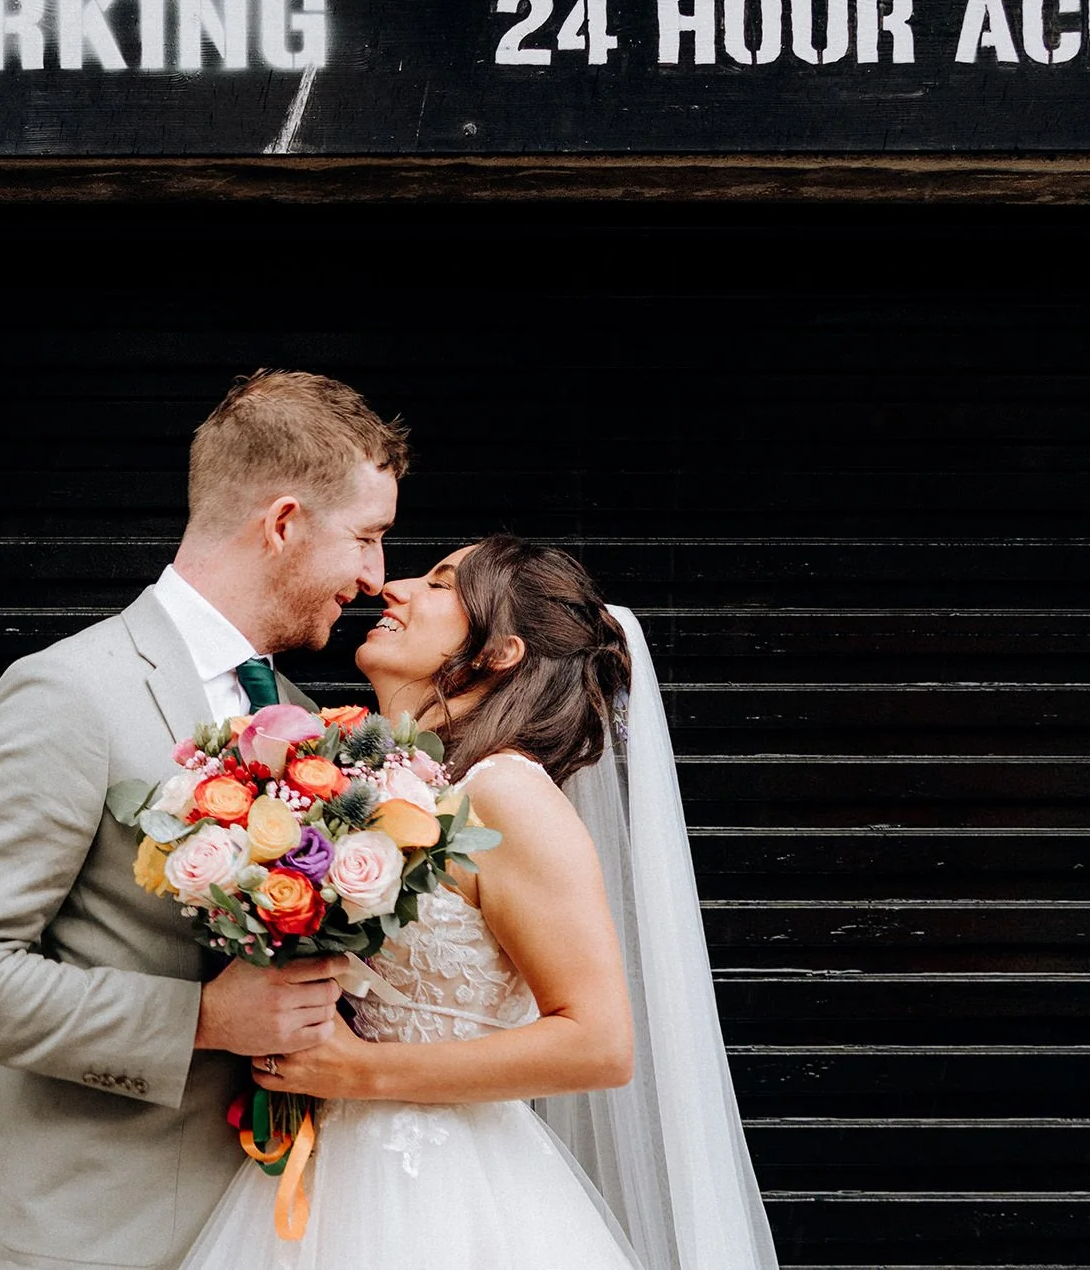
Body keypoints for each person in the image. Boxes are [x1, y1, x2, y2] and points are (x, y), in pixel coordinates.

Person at [0, 370, 409, 1270]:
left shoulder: (304, 717)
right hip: (99, 1239)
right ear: (283, 523)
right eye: (366, 538)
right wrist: (201, 1018)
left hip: (275, 1232)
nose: (374, 577)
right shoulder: (70, 692)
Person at [176, 536, 778, 1270]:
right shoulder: (394, 787)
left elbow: (599, 1043)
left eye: (440, 583)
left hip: (445, 1194)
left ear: (499, 653)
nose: (393, 587)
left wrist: (359, 1072)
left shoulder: (506, 793)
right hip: (324, 1170)